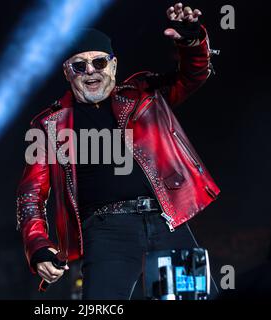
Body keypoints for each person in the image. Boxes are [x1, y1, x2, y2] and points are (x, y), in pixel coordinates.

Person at [16, 3, 220, 299]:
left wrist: (191, 42)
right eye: (79, 66)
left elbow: (192, 75)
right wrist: (37, 245)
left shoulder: (144, 94)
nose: (90, 72)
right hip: (105, 232)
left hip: (165, 222)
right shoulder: (49, 125)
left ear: (113, 65)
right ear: (67, 72)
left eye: (98, 63)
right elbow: (30, 194)